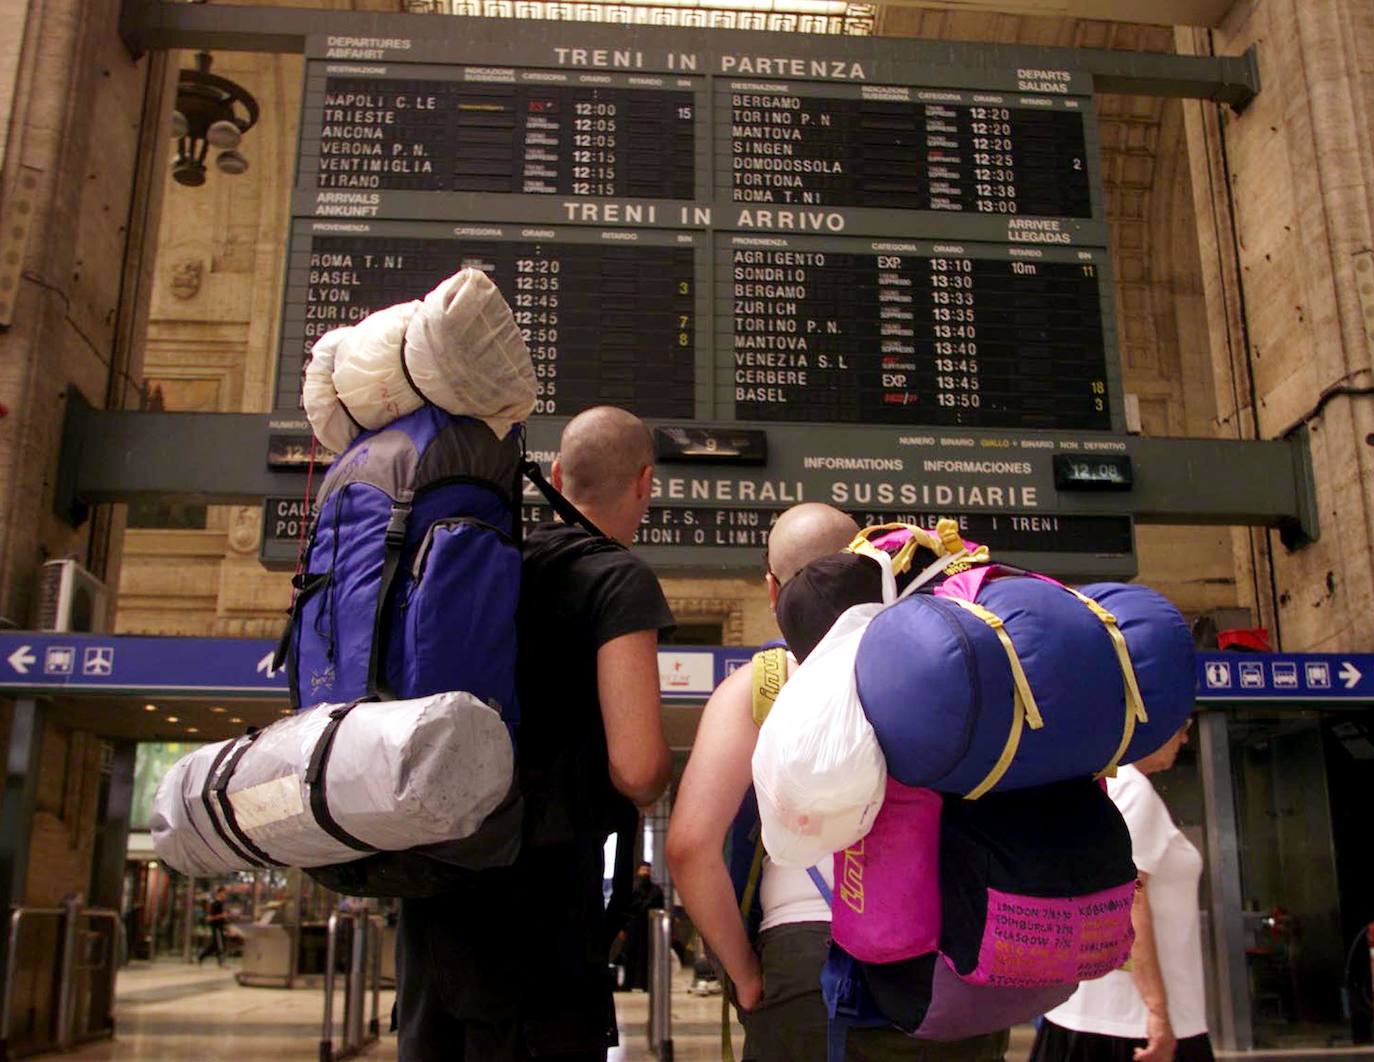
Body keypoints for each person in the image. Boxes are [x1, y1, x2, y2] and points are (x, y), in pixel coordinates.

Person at [668, 505, 1009, 1061]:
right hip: (949, 955)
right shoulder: (944, 666)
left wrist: (745, 974)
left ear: (774, 591)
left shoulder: (761, 686)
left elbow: (688, 847)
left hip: (807, 961)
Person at [395, 406, 674, 1062]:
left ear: (555, 475)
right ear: (644, 484)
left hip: (435, 897)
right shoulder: (617, 578)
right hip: (540, 914)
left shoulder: (489, 564)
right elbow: (636, 769)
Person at [1031, 720, 1212, 1062]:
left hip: (1104, 1015)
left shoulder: (1107, 786)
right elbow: (1130, 900)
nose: (1185, 738)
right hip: (1127, 1022)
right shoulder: (1132, 790)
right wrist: (1157, 1011)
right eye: (1181, 727)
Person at [614, 862, 666, 991]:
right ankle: (628, 983)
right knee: (629, 956)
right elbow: (626, 909)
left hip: (648, 930)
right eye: (643, 870)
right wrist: (622, 928)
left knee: (647, 956)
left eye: (647, 870)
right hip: (633, 930)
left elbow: (657, 907)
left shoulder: (656, 890)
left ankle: (646, 984)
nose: (645, 873)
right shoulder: (632, 888)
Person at [197, 885, 228, 966]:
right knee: (219, 944)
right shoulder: (216, 904)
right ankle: (221, 962)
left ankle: (202, 956)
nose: (225, 895)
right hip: (216, 927)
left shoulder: (220, 903)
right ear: (220, 893)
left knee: (216, 945)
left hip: (220, 926)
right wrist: (222, 915)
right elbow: (210, 917)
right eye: (224, 893)